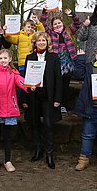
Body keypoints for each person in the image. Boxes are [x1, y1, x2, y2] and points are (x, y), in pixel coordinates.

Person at [0, 49, 27, 172]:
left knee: (7, 136)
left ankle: (8, 160)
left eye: (5, 58)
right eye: (1, 58)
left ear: (10, 59)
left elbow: (21, 82)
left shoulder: (13, 73)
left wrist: (29, 85)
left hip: (9, 109)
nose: (3, 61)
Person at [23, 31, 62, 169]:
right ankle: (38, 150)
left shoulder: (54, 58)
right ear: (35, 42)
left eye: (43, 41)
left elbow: (58, 78)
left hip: (48, 96)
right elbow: (25, 78)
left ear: (47, 43)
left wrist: (58, 98)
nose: (41, 43)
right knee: (34, 123)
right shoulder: (29, 57)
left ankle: (49, 154)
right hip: (34, 95)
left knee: (48, 124)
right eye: (39, 40)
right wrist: (27, 93)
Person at [41, 8, 82, 113]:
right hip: (56, 63)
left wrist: (72, 14)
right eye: (55, 24)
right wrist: (45, 12)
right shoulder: (50, 33)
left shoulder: (68, 31)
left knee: (65, 86)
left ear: (62, 23)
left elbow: (78, 24)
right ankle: (55, 104)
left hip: (68, 63)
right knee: (55, 84)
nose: (57, 25)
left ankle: (63, 104)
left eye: (59, 23)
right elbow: (43, 23)